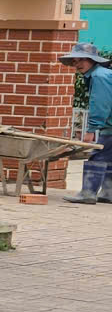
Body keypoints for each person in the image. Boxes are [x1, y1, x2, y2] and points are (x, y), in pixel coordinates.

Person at [61, 42, 111, 204]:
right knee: (108, 157)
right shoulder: (102, 74)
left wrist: (91, 129)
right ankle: (109, 193)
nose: (77, 65)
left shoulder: (99, 76)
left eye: (82, 60)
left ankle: (88, 193)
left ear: (92, 60)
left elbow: (101, 104)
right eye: (75, 61)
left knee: (97, 156)